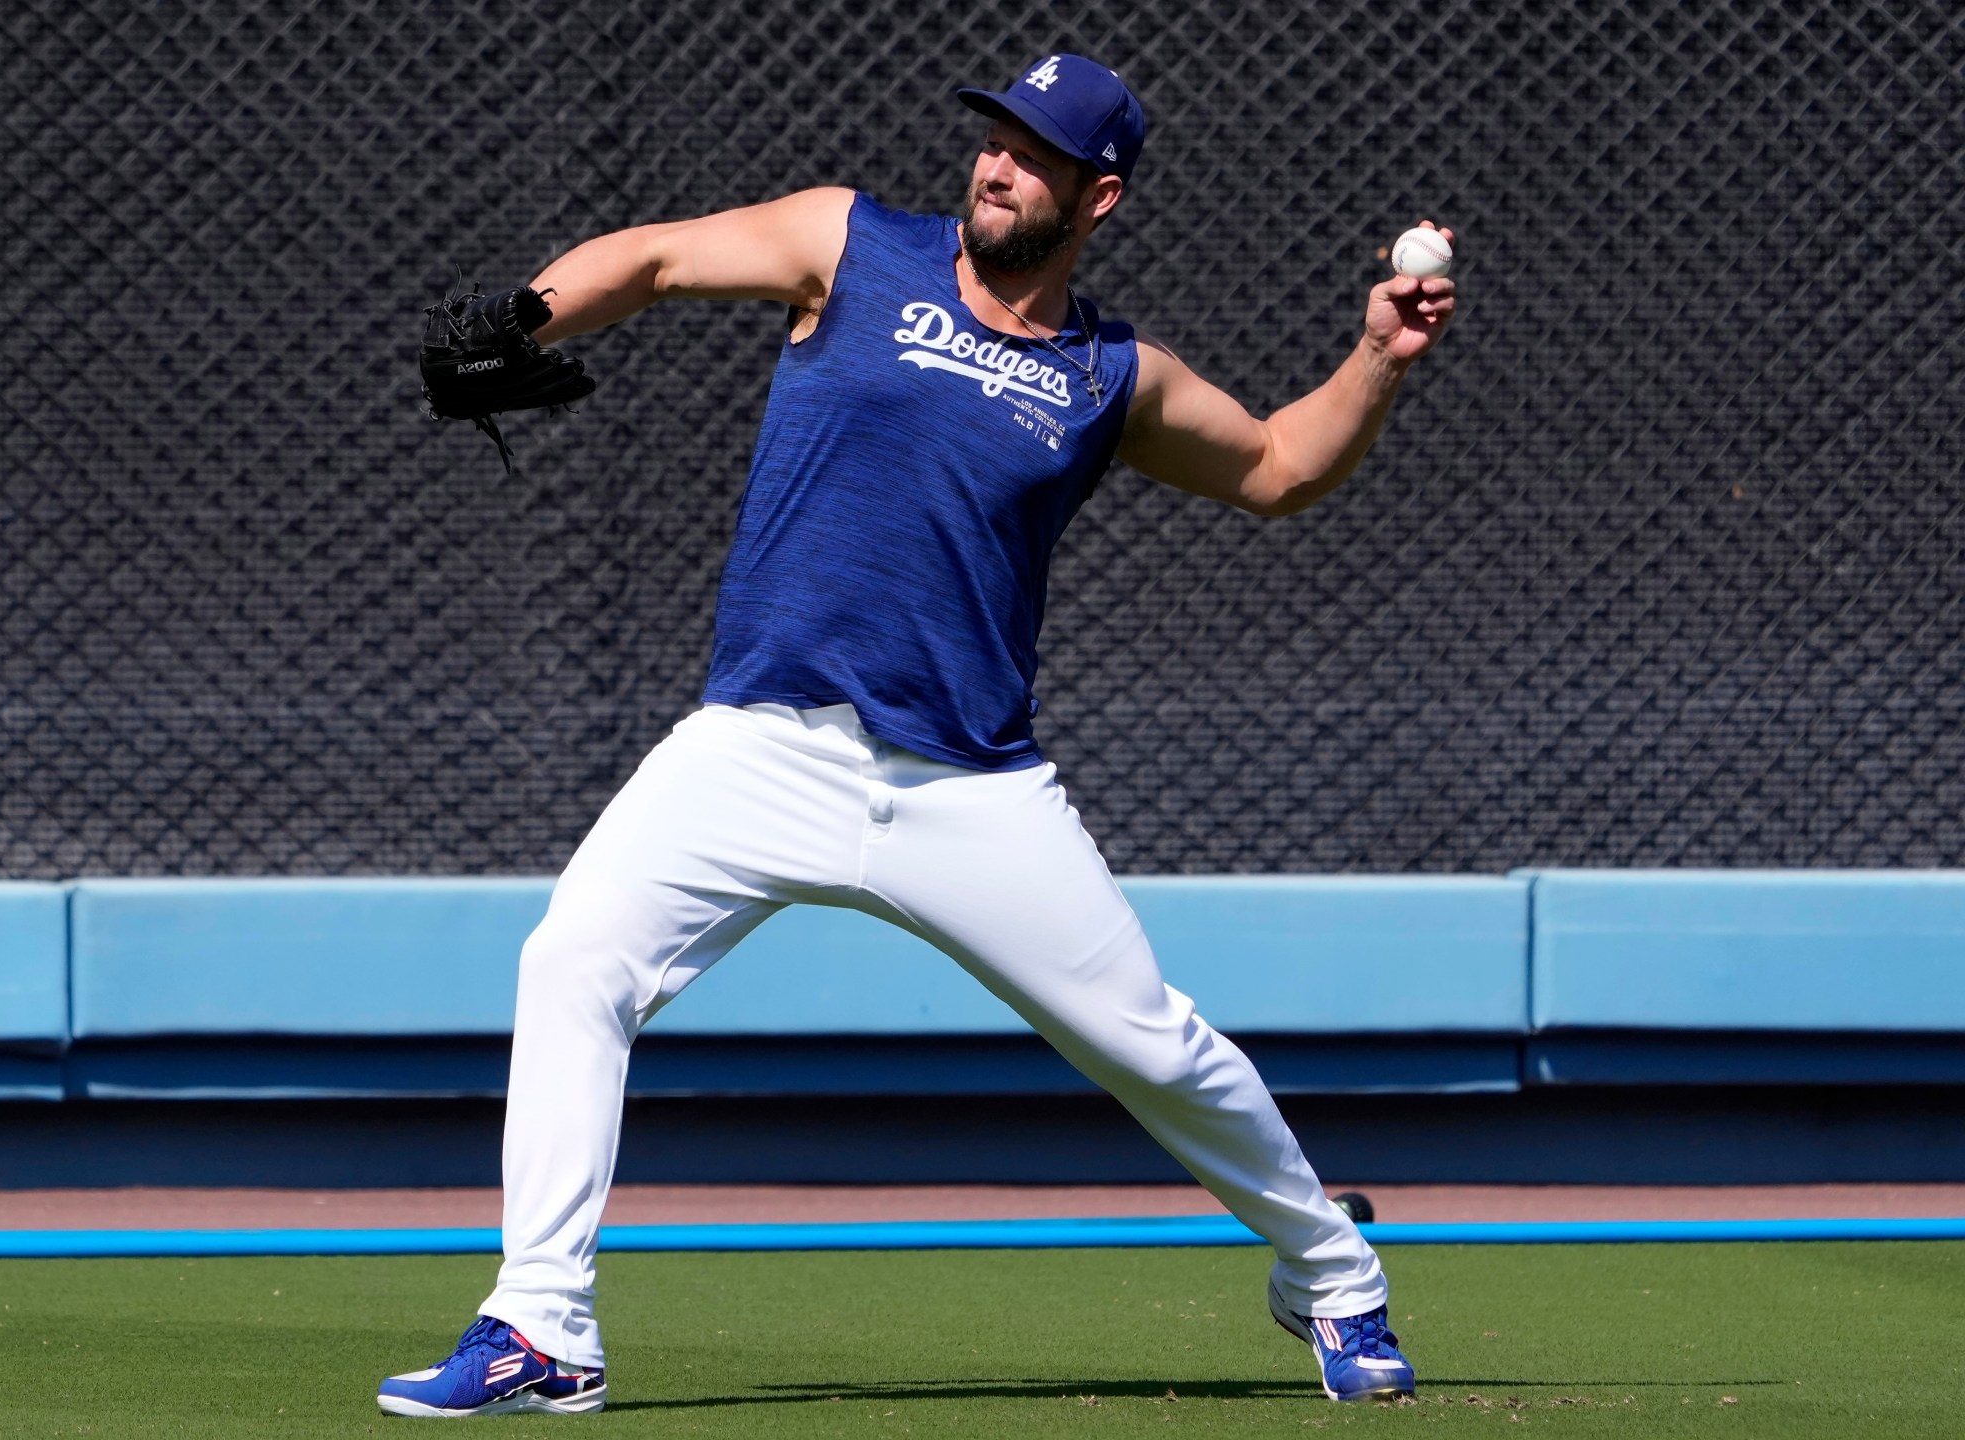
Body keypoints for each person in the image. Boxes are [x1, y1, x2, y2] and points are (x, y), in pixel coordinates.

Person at [377, 52, 1456, 1418]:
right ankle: (542, 1325)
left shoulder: (1108, 376)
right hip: (760, 745)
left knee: (1152, 1046)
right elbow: (651, 259)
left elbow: (1280, 470)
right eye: (995, 137)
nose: (999, 164)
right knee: (574, 961)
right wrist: (528, 317)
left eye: (1036, 153)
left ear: (1097, 195)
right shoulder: (852, 243)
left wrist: (1377, 354)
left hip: (966, 785)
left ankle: (1333, 1272)